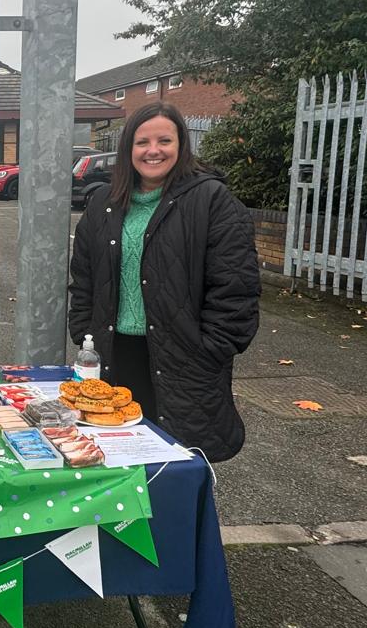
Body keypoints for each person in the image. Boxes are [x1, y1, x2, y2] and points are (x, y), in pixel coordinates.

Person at [67, 102, 259, 461]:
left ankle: (172, 521)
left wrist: (209, 351)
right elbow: (84, 279)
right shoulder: (104, 204)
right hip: (114, 355)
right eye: (142, 142)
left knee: (176, 467)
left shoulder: (213, 202)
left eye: (164, 140)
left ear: (181, 145)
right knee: (113, 461)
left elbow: (236, 290)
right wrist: (84, 331)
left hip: (184, 359)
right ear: (128, 149)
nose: (153, 150)